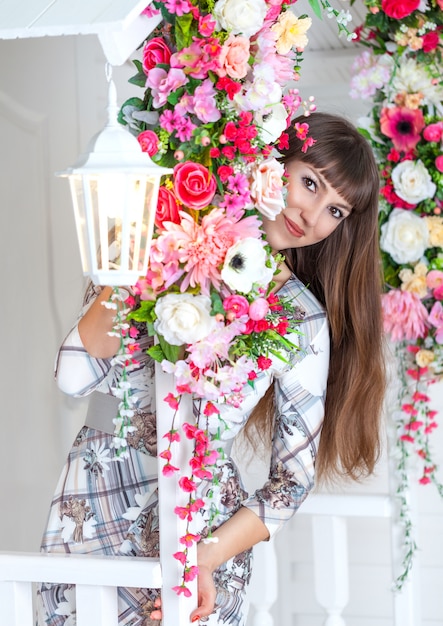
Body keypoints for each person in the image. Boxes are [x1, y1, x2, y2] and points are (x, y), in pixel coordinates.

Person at [35, 112, 386, 626]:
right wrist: (155, 252)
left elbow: (293, 480)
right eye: (309, 183)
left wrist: (207, 556)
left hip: (196, 530)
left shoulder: (302, 319)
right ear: (273, 163)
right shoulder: (165, 239)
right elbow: (74, 377)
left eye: (334, 209)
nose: (312, 215)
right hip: (91, 505)